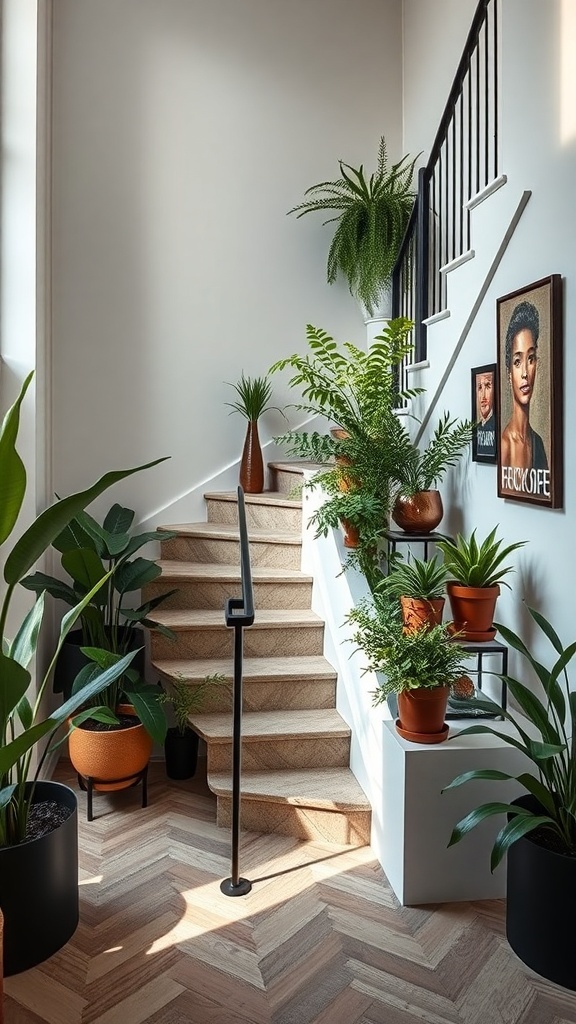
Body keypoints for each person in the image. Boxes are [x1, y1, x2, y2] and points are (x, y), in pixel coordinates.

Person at [500, 300, 549, 498]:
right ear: (509, 372)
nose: (525, 373)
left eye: (531, 359)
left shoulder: (537, 443)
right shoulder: (505, 445)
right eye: (517, 361)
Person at [475, 369, 495, 455]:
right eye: (479, 387)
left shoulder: (496, 425)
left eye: (487, 386)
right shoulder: (477, 427)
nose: (483, 396)